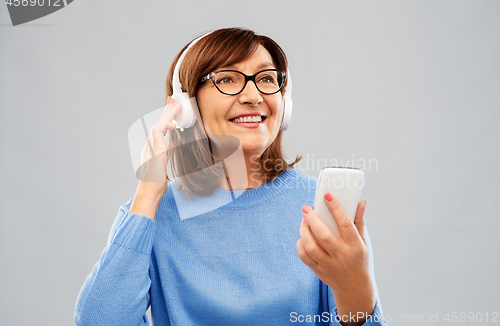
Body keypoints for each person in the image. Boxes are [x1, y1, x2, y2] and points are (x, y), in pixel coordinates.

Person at [74, 27, 388, 326]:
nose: (253, 95)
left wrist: (357, 288)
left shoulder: (321, 207)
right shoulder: (148, 216)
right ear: (186, 106)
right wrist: (148, 191)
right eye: (227, 79)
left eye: (266, 79)